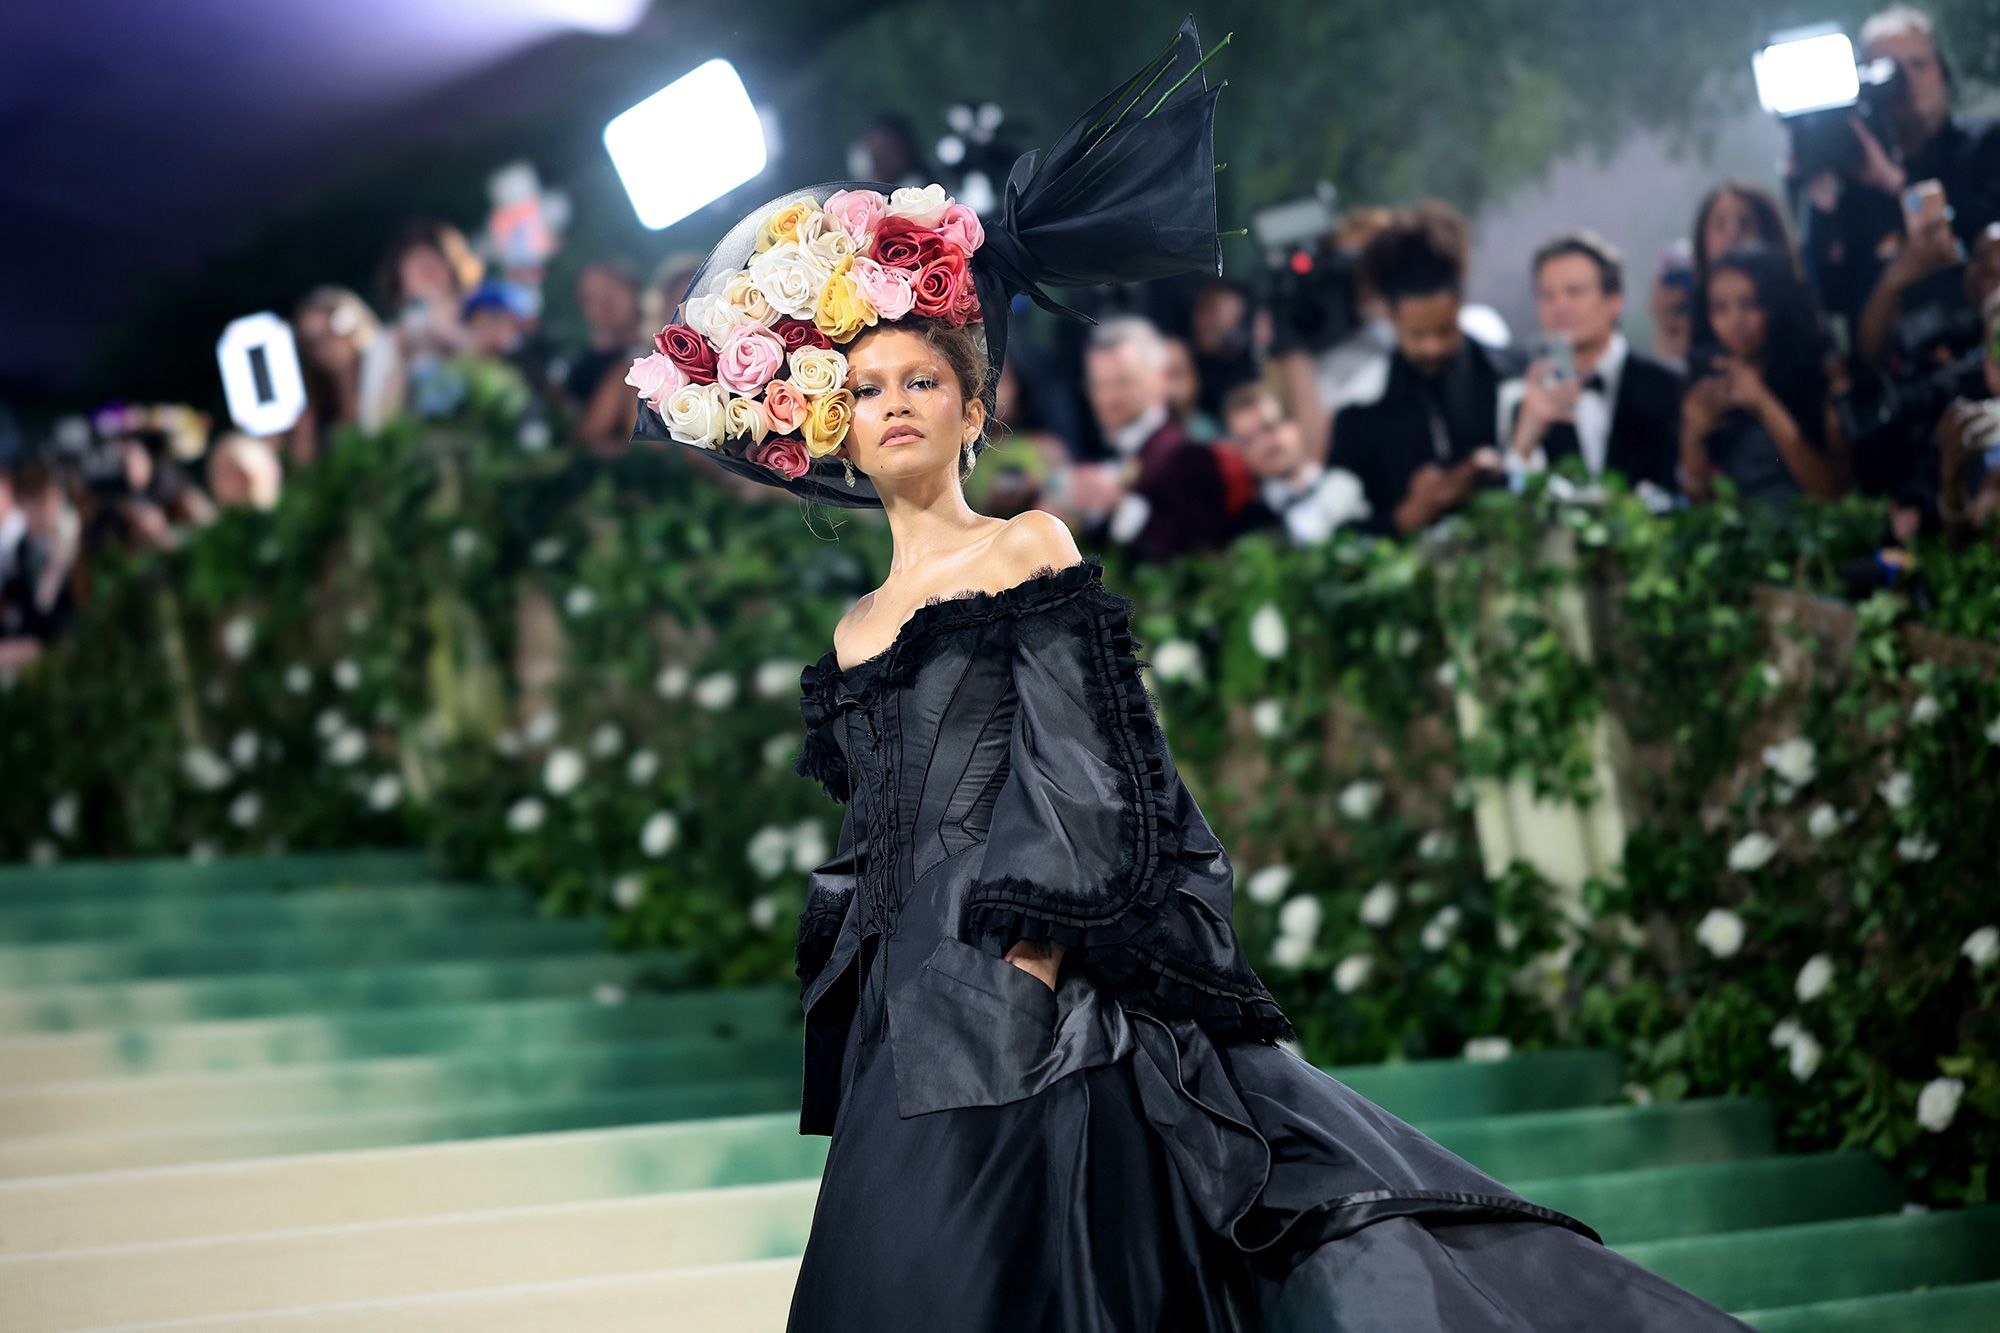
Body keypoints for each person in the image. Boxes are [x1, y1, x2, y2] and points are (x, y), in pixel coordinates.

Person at [630, 21, 1750, 1330]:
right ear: (837, 423)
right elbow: (879, 845)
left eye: (924, 379)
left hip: (1022, 1000)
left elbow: (1098, 778)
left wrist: (1028, 976)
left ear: (973, 407)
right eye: (867, 385)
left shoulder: (1025, 545)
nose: (895, 403)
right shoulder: (856, 628)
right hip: (897, 1025)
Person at [1797, 6, 2000, 333]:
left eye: (1919, 64)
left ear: (1942, 70)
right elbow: (1833, 298)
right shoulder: (1854, 184)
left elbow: (1986, 240)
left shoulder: (1987, 144)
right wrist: (1821, 202)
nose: (1909, 82)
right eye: (1890, 72)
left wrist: (1896, 184)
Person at [1329, 201, 1521, 537]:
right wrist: (1408, 515)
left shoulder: (1512, 376)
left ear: (1460, 304)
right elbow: (1336, 535)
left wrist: (1504, 471)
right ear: (1390, 317)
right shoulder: (1359, 412)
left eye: (1444, 331)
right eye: (1417, 335)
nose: (1432, 347)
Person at [1502, 231, 1683, 495]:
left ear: (1614, 302)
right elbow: (1510, 506)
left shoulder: (1668, 385)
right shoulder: (1528, 402)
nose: (1560, 305)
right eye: (1547, 295)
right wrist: (1524, 444)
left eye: (1575, 292)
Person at [1073, 316, 1258, 563]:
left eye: (1123, 382)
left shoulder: (1189, 457)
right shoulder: (1111, 454)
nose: (1108, 398)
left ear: (1161, 379)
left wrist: (1118, 506)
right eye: (1098, 385)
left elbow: (1196, 555)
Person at [1681, 245, 1846, 503]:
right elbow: (1697, 501)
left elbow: (1832, 490)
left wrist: (1762, 403)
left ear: (1775, 303)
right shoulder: (1706, 382)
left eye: (1749, 303)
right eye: (1720, 308)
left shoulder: (1819, 374)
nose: (1735, 320)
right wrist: (1692, 436)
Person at [1223, 381, 1370, 545]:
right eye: (1248, 440)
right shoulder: (1250, 527)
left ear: (1294, 423)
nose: (1264, 444)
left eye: (1269, 427)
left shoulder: (1350, 482)